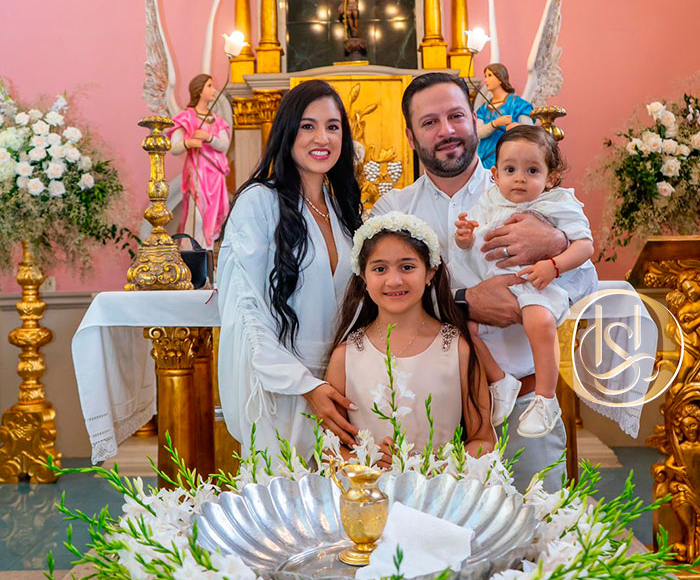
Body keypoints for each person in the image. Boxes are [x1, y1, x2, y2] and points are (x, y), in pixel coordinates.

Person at [372, 71, 597, 491]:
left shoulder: (529, 189)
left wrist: (557, 243)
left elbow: (586, 283)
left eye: (456, 116)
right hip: (427, 406)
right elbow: (379, 301)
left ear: (474, 120)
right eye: (430, 122)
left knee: (538, 520)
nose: (447, 131)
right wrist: (464, 299)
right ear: (411, 136)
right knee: (431, 525)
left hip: (523, 402)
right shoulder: (393, 209)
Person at [217, 80, 363, 461]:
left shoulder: (342, 209)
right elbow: (246, 307)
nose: (322, 138)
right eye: (308, 125)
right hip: (283, 387)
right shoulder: (259, 202)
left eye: (333, 126)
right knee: (284, 492)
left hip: (341, 388)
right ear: (287, 131)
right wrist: (302, 384)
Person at [455, 126, 594, 439]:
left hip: (536, 282)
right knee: (463, 325)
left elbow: (585, 247)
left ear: (550, 177)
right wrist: (465, 237)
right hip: (494, 285)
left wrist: (554, 266)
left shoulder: (557, 202)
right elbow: (472, 238)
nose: (519, 178)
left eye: (531, 171)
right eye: (510, 170)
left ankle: (545, 398)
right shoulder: (489, 200)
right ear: (495, 175)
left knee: (539, 320)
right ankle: (499, 380)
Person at [326, 212, 493, 468]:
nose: (394, 281)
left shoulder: (456, 348)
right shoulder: (345, 355)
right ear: (364, 278)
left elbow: (483, 440)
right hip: (370, 489)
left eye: (407, 267)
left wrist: (434, 467)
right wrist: (368, 462)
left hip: (440, 487)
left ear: (430, 273)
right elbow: (330, 446)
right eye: (380, 269)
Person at [170, 74, 231, 248]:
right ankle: (192, 252)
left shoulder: (217, 120)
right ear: (199, 90)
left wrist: (208, 137)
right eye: (209, 86)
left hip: (215, 174)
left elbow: (224, 144)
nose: (213, 90)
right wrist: (189, 143)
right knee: (197, 216)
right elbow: (174, 147)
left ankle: (207, 252)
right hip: (197, 171)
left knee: (213, 217)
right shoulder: (186, 117)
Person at [476, 62, 534, 169]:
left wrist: (516, 127)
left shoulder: (517, 104)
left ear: (500, 78)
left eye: (489, 75)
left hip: (510, 155)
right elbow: (478, 133)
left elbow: (530, 130)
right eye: (485, 76)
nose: (486, 80)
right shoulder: (483, 109)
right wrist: (495, 124)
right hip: (486, 158)